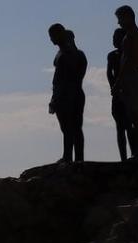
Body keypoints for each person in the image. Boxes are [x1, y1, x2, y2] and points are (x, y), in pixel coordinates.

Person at [107, 28, 138, 161]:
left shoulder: (134, 53)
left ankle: (136, 154)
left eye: (116, 37)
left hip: (130, 90)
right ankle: (124, 158)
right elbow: (109, 73)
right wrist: (114, 87)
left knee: (132, 123)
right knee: (120, 127)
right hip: (118, 93)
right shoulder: (112, 55)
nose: (113, 40)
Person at [48, 24, 88, 164]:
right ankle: (75, 157)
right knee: (74, 127)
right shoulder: (74, 54)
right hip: (74, 92)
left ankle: (70, 157)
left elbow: (62, 79)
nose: (51, 39)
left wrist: (55, 99)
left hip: (67, 94)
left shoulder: (67, 54)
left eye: (52, 36)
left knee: (69, 128)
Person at [113, 5, 138, 162]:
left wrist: (118, 81)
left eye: (120, 19)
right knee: (132, 117)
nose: (119, 23)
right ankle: (137, 153)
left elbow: (127, 60)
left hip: (131, 77)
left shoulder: (133, 35)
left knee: (135, 117)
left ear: (127, 17)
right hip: (131, 78)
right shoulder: (131, 34)